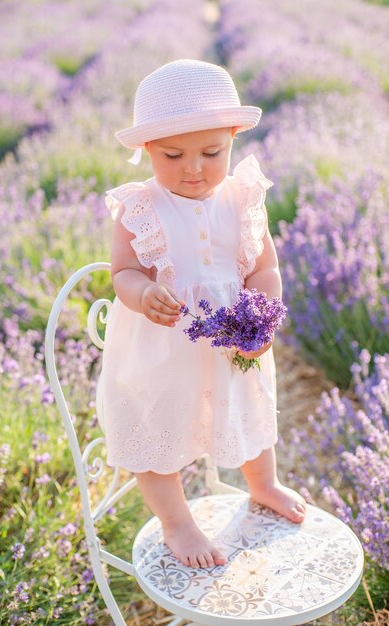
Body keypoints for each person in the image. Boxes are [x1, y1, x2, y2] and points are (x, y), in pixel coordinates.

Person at [101, 59, 306, 569]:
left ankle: (264, 485)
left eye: (212, 152)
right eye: (173, 155)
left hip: (235, 340)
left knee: (250, 409)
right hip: (162, 349)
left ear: (233, 137)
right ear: (146, 150)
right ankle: (177, 523)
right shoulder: (140, 209)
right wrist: (142, 294)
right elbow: (122, 271)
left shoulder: (242, 198)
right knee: (155, 429)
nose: (194, 168)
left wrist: (263, 318)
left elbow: (265, 268)